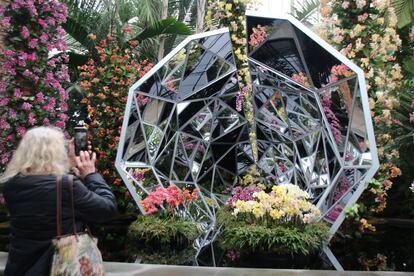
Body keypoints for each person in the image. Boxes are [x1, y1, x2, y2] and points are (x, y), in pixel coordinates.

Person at [0, 126, 118, 276]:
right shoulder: (66, 186)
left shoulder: (11, 186)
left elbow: (48, 194)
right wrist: (91, 175)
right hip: (59, 268)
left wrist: (68, 166)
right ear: (56, 153)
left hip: (22, 268)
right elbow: (107, 209)